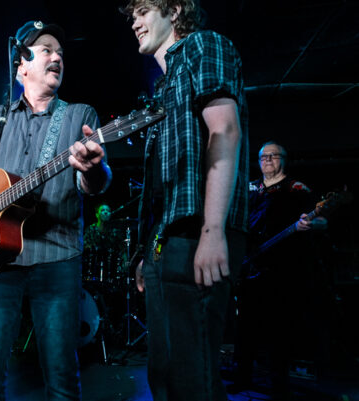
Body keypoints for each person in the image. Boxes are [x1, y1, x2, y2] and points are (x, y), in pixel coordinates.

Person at [0, 20, 111, 400]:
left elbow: (93, 185)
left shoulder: (79, 115)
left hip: (57, 258)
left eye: (60, 52)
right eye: (46, 50)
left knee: (62, 380)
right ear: (21, 66)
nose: (57, 57)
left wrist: (93, 168)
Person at [121, 1, 250, 400]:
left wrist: (212, 230)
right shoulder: (164, 85)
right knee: (165, 375)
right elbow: (165, 181)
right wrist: (147, 253)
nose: (135, 22)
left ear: (174, 10)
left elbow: (224, 130)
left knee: (193, 378)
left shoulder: (203, 45)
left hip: (197, 232)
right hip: (168, 239)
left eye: (143, 11)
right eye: (132, 16)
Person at [230, 141, 327, 400]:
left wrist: (311, 225)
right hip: (250, 266)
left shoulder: (298, 189)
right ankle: (242, 377)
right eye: (264, 156)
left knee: (280, 330)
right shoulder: (249, 188)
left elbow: (322, 221)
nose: (268, 160)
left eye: (273, 155)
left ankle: (279, 384)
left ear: (284, 159)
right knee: (245, 327)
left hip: (284, 270)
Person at [83, 204, 125, 283]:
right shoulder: (91, 229)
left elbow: (122, 249)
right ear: (97, 214)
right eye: (102, 210)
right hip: (92, 267)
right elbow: (84, 246)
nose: (106, 212)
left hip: (111, 268)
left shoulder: (115, 232)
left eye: (108, 211)